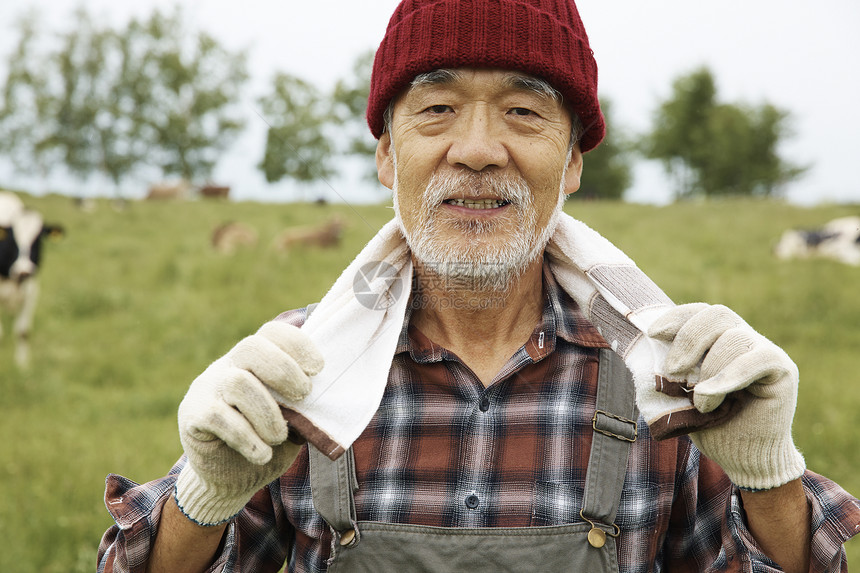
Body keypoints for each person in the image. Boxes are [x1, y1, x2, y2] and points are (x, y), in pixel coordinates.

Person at [98, 1, 860, 571]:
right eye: (437, 108)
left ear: (571, 165)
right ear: (387, 156)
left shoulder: (670, 375)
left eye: (524, 111)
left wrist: (768, 475)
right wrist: (205, 494)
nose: (477, 148)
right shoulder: (298, 371)